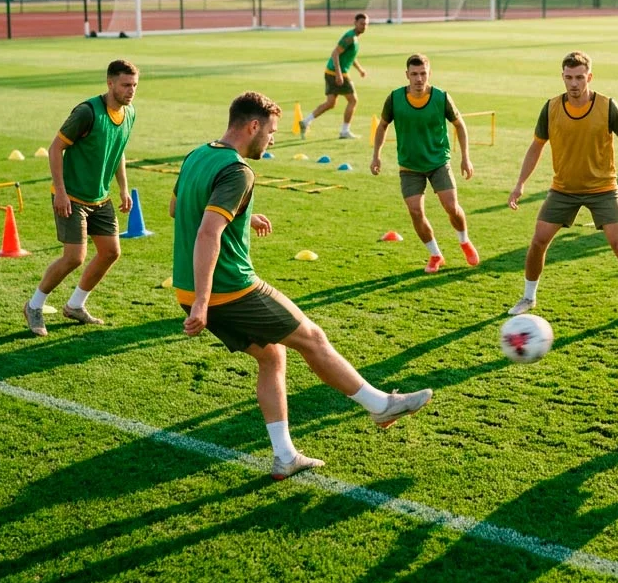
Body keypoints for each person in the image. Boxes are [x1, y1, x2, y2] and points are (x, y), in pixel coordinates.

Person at [174, 91, 433, 480]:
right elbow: (209, 232)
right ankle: (380, 405)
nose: (273, 139)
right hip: (230, 290)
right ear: (253, 126)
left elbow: (180, 209)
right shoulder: (237, 170)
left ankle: (285, 456)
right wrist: (204, 304)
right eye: (272, 131)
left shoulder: (198, 155)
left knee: (273, 356)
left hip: (187, 290)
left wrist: (243, 215)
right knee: (312, 337)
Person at [506, 51, 618, 325]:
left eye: (579, 77)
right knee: (538, 241)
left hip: (603, 188)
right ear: (562, 77)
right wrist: (520, 184)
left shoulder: (607, 106)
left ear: (590, 77)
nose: (574, 83)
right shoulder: (550, 107)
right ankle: (528, 297)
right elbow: (536, 145)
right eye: (569, 77)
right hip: (563, 189)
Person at [23, 60, 139, 337]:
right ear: (110, 83)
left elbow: (118, 149)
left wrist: (123, 188)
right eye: (125, 85)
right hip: (72, 197)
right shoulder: (87, 113)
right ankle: (34, 305)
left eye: (134, 85)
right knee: (74, 257)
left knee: (111, 252)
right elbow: (55, 149)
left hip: (100, 197)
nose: (131, 90)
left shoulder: (130, 113)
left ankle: (75, 305)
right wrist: (60, 192)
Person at [370, 53, 480, 273]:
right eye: (414, 74)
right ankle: (435, 255)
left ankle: (464, 241)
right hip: (409, 166)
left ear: (429, 74)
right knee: (415, 212)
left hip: (438, 162)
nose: (419, 79)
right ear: (407, 75)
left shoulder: (441, 97)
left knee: (451, 206)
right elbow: (382, 126)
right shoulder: (394, 98)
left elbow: (460, 125)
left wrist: (465, 157)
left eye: (423, 74)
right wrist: (376, 155)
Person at [301, 13, 370, 139]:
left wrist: (360, 70)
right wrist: (339, 74)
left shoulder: (354, 38)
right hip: (337, 73)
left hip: (330, 72)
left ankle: (305, 121)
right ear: (355, 23)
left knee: (330, 103)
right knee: (353, 100)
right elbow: (335, 53)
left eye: (366, 24)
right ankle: (344, 131)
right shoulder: (349, 37)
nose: (364, 26)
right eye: (362, 24)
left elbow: (350, 57)